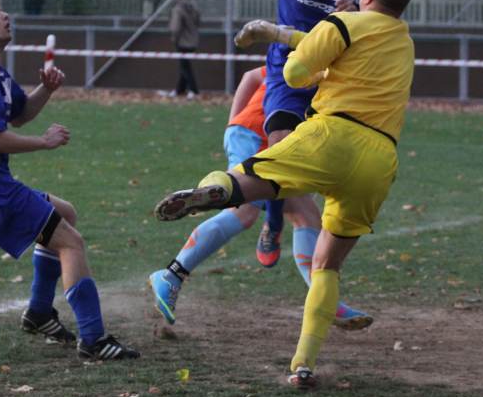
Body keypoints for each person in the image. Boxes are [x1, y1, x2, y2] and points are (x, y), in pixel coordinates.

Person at [154, 0, 415, 389]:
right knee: (327, 267)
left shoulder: (344, 23)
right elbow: (347, 54)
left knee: (248, 180)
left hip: (331, 135)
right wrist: (282, 34)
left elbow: (296, 74)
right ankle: (303, 365)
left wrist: (293, 52)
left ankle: (211, 192)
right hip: (379, 158)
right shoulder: (404, 41)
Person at [168, 0, 384, 267]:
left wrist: (356, 18)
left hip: (330, 86)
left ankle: (277, 222)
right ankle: (270, 223)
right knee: (281, 148)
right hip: (288, 75)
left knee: (316, 184)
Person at [0, 0, 138, 361]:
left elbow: (18, 115)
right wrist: (44, 142)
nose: (5, 15)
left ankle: (38, 312)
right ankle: (93, 339)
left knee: (65, 213)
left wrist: (46, 90)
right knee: (71, 243)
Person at [147, 65, 372, 330]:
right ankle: (172, 274)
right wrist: (235, 121)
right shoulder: (320, 59)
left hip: (271, 142)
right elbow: (253, 77)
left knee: (306, 214)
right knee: (244, 211)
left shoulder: (328, 65)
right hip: (256, 135)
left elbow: (255, 78)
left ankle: (325, 300)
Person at [161, 0, 200, 98]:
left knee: (185, 67)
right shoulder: (193, 7)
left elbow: (175, 27)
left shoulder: (177, 9)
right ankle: (179, 90)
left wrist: (174, 38)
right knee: (184, 65)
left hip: (182, 41)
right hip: (193, 40)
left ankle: (194, 90)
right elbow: (197, 21)